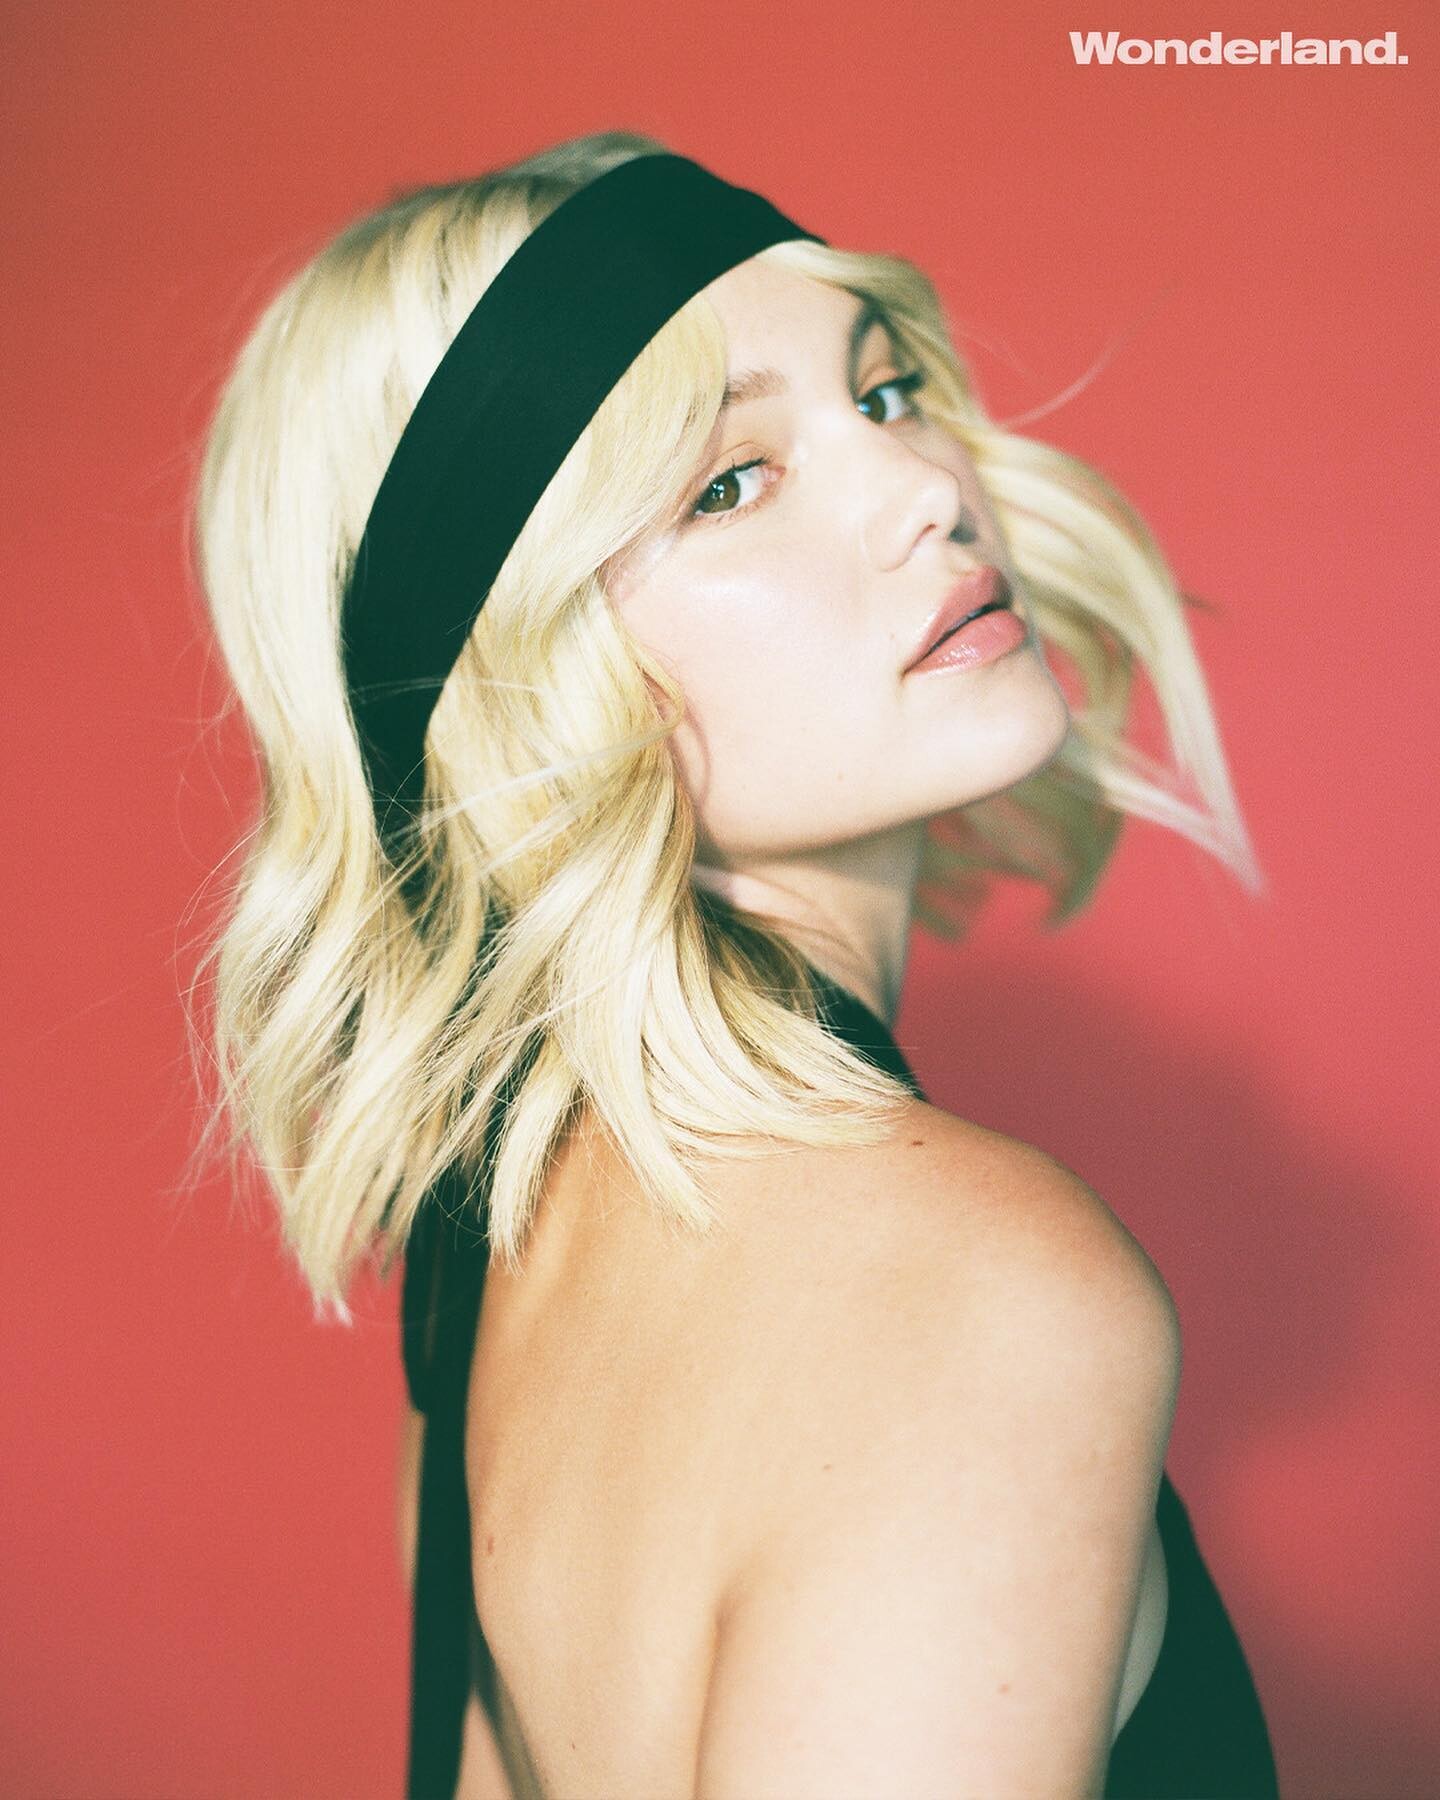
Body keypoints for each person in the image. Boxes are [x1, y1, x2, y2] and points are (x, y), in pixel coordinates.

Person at [190, 131, 1280, 1798]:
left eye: (887, 391)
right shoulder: (978, 1296)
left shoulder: (480, 1298)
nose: (927, 488)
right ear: (512, 675)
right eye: (727, 482)